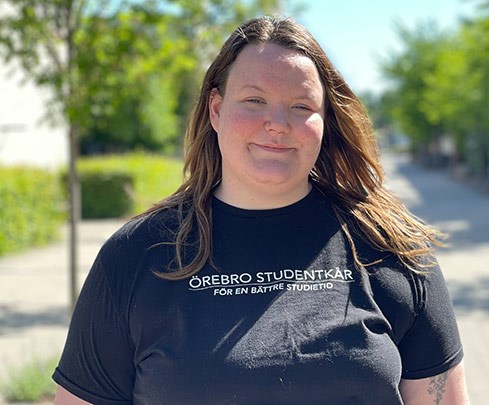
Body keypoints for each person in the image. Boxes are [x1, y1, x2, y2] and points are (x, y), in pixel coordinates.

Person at [53, 16, 468, 404]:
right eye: (254, 100)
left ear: (325, 120)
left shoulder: (390, 246)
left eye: (301, 106)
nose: (277, 123)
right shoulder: (137, 255)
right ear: (216, 110)